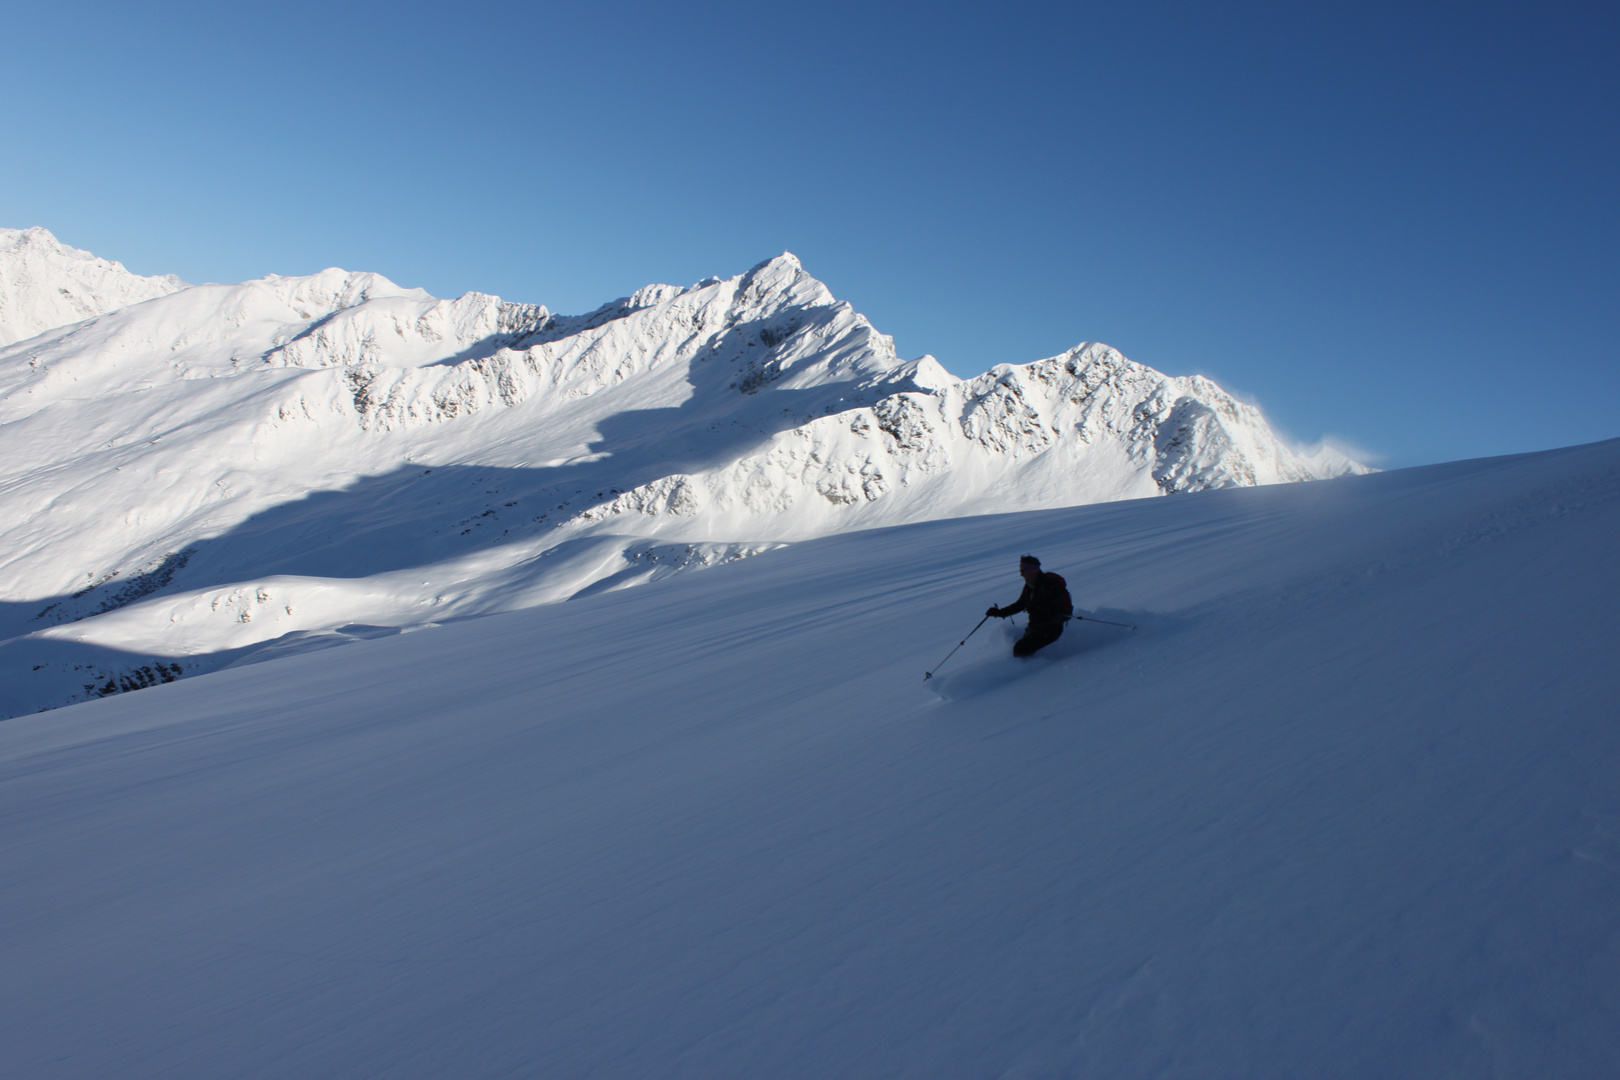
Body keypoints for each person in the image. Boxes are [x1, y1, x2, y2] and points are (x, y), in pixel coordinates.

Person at [987, 554, 1073, 657]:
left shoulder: (1049, 584)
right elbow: (1020, 604)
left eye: (1023, 571)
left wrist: (1038, 608)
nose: (1021, 575)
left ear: (1033, 570)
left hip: (1050, 629)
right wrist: (999, 613)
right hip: (1035, 628)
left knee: (1020, 649)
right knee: (1021, 648)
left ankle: (1030, 670)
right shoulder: (1029, 586)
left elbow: (1054, 607)